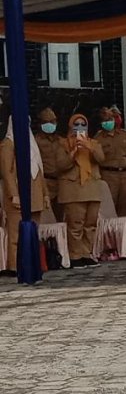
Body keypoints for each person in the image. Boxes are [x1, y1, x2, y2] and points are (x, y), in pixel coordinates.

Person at [1, 116, 47, 276]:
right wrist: (14, 194)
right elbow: (6, 172)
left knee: (34, 230)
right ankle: (15, 266)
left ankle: (32, 263)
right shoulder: (8, 144)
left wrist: (45, 194)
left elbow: (40, 170)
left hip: (34, 194)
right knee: (16, 232)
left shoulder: (31, 143)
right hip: (18, 195)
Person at [57, 113, 105, 268]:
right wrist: (73, 153)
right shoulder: (63, 143)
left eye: (83, 124)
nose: (79, 128)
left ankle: (87, 253)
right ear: (70, 126)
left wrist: (89, 147)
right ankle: (75, 255)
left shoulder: (94, 143)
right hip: (73, 189)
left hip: (92, 188)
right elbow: (60, 165)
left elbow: (101, 159)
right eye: (76, 124)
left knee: (90, 224)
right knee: (75, 224)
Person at [95, 106, 126, 217]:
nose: (108, 122)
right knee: (109, 207)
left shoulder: (124, 135)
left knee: (124, 207)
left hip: (125, 175)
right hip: (108, 175)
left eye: (110, 119)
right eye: (105, 120)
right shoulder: (98, 138)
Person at [34, 107, 65, 222]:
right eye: (46, 122)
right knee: (45, 218)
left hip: (61, 182)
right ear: (40, 124)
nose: (50, 125)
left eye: (52, 122)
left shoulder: (61, 141)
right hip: (46, 182)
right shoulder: (36, 141)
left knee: (60, 217)